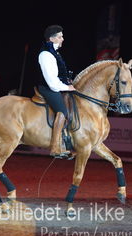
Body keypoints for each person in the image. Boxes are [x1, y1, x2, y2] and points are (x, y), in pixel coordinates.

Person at [38, 25, 76, 159]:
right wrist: (67, 88)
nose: (62, 39)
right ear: (52, 39)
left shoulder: (55, 52)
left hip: (56, 85)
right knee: (62, 111)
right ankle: (55, 147)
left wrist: (68, 82)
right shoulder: (46, 54)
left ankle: (68, 143)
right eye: (60, 37)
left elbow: (59, 74)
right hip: (47, 87)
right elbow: (52, 82)